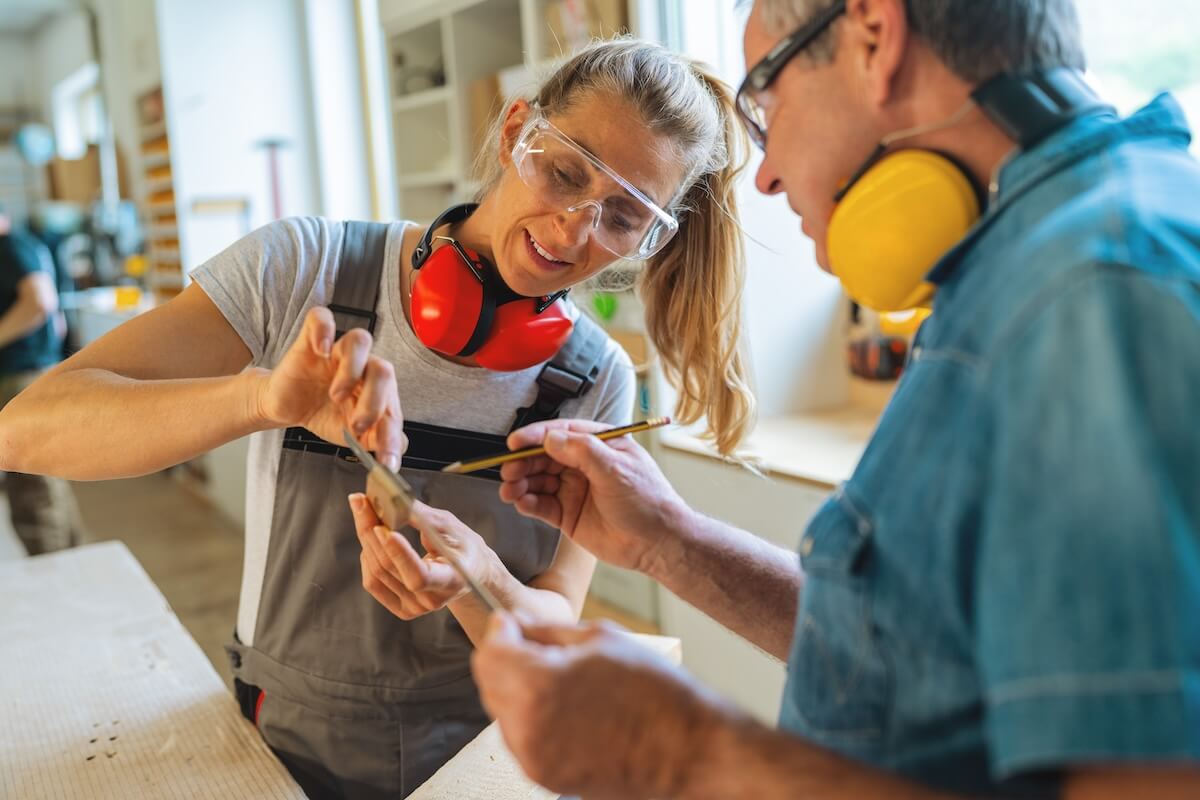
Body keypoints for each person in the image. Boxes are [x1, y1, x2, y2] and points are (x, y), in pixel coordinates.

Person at [447, 1, 1200, 798]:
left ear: (875, 37)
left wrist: (676, 750)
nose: (767, 174)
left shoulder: (1096, 292)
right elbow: (924, 653)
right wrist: (672, 541)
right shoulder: (1031, 268)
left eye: (766, 105)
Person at [0, 39, 754, 799]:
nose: (570, 231)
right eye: (563, 172)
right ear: (514, 131)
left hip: (487, 752)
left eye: (622, 218)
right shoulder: (306, 268)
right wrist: (260, 399)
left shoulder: (595, 379)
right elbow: (26, 427)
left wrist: (474, 579)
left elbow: (553, 621)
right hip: (286, 737)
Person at [0, 205, 83, 556]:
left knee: (33, 483)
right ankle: (68, 559)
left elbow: (40, 302)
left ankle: (56, 570)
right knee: (43, 477)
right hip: (30, 372)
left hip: (22, 375)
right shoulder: (23, 245)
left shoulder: (10, 247)